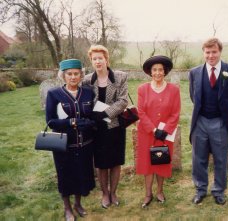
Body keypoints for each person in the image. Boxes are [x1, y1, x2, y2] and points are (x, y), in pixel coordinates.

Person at [189, 37, 228, 205]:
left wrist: (225, 110)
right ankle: (200, 189)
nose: (211, 55)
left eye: (214, 52)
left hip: (220, 122)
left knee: (220, 159)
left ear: (220, 52)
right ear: (203, 53)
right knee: (199, 159)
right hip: (200, 121)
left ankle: (219, 191)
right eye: (207, 52)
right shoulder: (194, 72)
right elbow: (193, 96)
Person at [45, 59, 96, 221]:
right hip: (64, 145)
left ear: (81, 75)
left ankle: (78, 204)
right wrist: (71, 122)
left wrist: (90, 123)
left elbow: (94, 115)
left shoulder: (88, 93)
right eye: (69, 74)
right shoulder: (54, 94)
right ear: (63, 75)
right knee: (65, 176)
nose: (73, 77)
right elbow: (50, 121)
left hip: (85, 145)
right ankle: (67, 208)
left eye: (76, 74)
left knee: (81, 175)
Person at [83, 45, 128, 208]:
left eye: (100, 58)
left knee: (115, 162)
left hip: (115, 125)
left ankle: (114, 192)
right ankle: (105, 194)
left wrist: (106, 113)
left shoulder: (120, 77)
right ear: (91, 61)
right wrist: (93, 115)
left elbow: (123, 101)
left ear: (106, 59)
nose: (97, 61)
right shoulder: (87, 80)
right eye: (94, 59)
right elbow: (84, 102)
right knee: (101, 163)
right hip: (96, 128)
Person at [136, 55, 181, 208]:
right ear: (150, 72)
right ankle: (148, 194)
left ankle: (160, 191)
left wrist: (165, 130)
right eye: (154, 70)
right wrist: (153, 129)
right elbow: (141, 112)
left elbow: (176, 113)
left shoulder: (174, 90)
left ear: (165, 71)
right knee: (148, 163)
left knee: (161, 161)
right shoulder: (143, 89)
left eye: (160, 69)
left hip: (165, 135)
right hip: (147, 133)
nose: (157, 73)